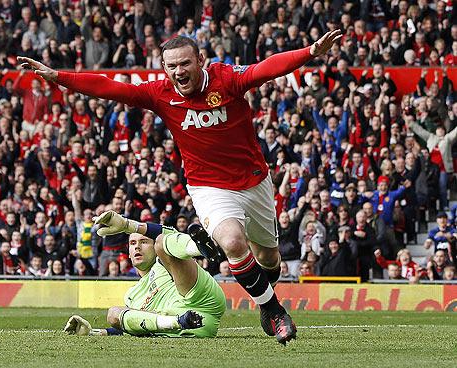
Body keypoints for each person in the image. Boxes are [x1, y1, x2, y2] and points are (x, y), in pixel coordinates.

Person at [19, 29, 343, 345]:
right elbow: (108, 87)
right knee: (232, 242)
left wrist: (310, 53)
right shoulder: (160, 93)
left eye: (184, 63)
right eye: (171, 66)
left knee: (269, 259)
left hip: (254, 181)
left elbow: (265, 69)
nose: (178, 71)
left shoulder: (226, 79)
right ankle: (273, 311)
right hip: (208, 187)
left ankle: (264, 296)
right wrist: (58, 75)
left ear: (200, 60)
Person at [64, 210, 226, 338]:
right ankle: (178, 322)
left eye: (143, 242)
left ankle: (200, 248)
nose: (137, 247)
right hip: (190, 323)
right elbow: (134, 326)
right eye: (133, 243)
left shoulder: (161, 263)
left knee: (163, 241)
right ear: (128, 252)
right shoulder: (132, 295)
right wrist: (93, 332)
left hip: (200, 297)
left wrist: (128, 225)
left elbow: (168, 233)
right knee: (114, 313)